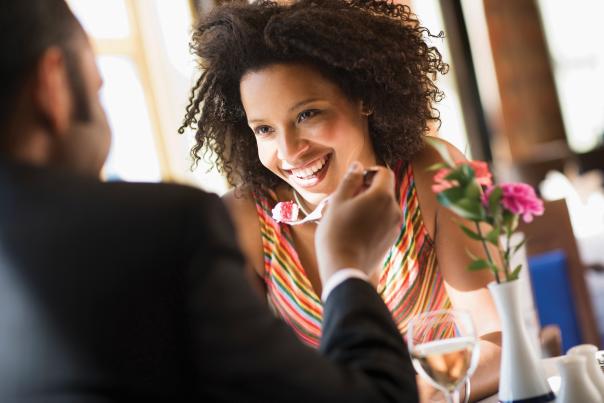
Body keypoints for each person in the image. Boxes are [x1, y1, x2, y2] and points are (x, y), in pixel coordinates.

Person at [0, 1, 418, 402]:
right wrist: (346, 267)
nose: (289, 149)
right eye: (98, 86)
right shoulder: (170, 226)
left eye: (308, 114)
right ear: (52, 86)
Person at [181, 0, 502, 400]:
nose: (290, 150)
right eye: (264, 129)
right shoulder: (246, 219)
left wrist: (401, 397)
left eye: (307, 115)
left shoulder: (432, 172)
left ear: (364, 98)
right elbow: (242, 377)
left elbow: (496, 341)